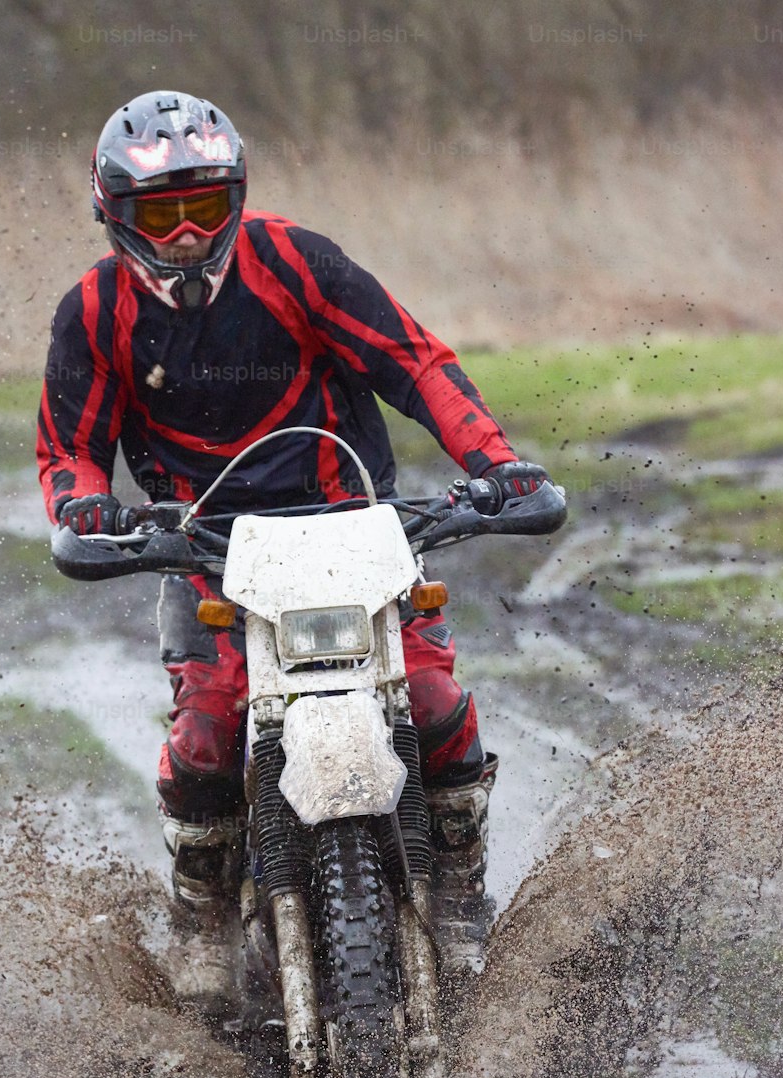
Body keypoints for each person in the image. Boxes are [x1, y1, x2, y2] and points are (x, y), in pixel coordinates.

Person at [37, 90, 551, 911]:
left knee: (433, 704)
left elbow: (413, 363)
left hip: (352, 530)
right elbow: (71, 451)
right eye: (163, 215)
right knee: (204, 739)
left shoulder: (297, 262)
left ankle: (457, 880)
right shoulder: (96, 313)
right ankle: (203, 919)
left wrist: (498, 461)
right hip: (205, 550)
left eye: (204, 207)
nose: (188, 236)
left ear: (235, 198)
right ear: (115, 214)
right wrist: (85, 511)